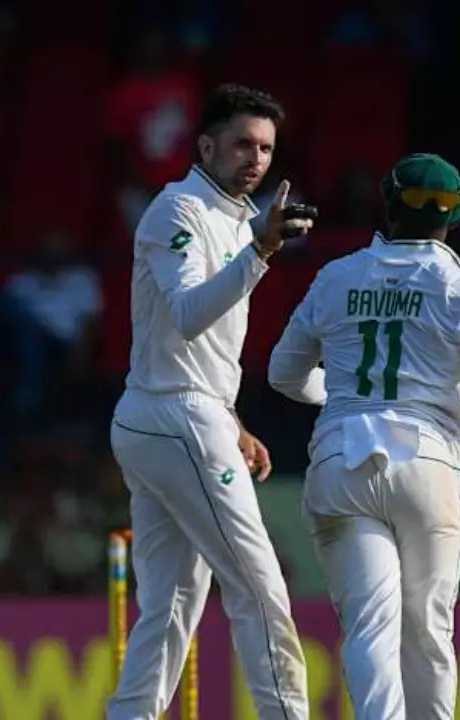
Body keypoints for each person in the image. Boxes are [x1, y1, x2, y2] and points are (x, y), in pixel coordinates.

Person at [267, 153, 460, 718]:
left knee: (370, 623)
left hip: (340, 461)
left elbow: (284, 375)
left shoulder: (335, 277)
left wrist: (340, 399)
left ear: (388, 202)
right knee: (428, 628)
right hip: (429, 463)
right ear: (456, 217)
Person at [106, 83, 318, 720]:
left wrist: (232, 419)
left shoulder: (234, 216)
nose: (255, 159)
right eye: (241, 145)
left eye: (265, 149)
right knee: (259, 586)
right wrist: (261, 249)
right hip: (172, 416)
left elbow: (202, 352)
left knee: (172, 602)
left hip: (180, 415)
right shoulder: (177, 212)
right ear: (205, 146)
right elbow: (192, 314)